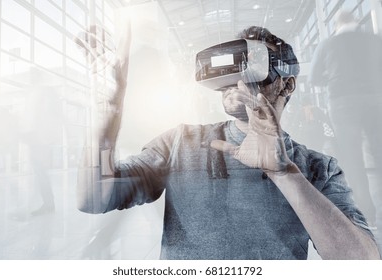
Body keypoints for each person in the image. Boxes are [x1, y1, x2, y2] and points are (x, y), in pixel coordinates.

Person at [76, 24, 380, 259]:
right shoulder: (180, 143)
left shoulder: (318, 168)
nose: (238, 77)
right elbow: (93, 198)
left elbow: (361, 263)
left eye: (254, 61)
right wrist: (107, 113)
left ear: (287, 84)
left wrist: (284, 174)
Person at [309, 11, 382, 250]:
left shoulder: (328, 44)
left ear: (337, 26)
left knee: (352, 160)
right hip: (374, 100)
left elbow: (315, 78)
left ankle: (368, 215)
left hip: (343, 102)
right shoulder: (373, 40)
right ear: (354, 23)